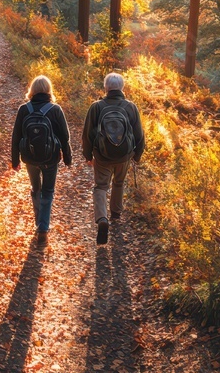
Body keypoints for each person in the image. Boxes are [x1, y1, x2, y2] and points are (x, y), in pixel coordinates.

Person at [82, 72, 145, 244]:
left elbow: (87, 134)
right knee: (118, 182)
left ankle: (102, 218)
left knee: (101, 186)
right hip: (124, 156)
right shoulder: (130, 107)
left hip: (102, 156)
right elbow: (139, 134)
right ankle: (116, 214)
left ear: (106, 87)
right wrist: (137, 155)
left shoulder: (96, 107)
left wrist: (88, 155)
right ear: (122, 88)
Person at [11, 75, 72, 234]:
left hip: (29, 158)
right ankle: (43, 227)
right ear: (48, 90)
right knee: (48, 190)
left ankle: (38, 219)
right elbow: (65, 137)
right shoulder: (55, 109)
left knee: (35, 188)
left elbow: (16, 137)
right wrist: (67, 158)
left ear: (32, 90)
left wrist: (15, 160)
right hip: (51, 158)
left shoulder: (24, 109)